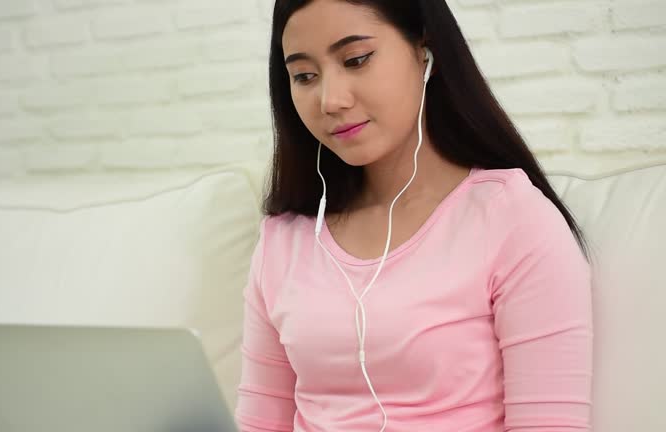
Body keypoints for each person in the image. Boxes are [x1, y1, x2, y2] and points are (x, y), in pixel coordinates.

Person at [235, 0, 593, 431]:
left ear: (425, 51)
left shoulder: (512, 219)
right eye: (305, 76)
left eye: (356, 59)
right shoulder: (283, 242)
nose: (330, 100)